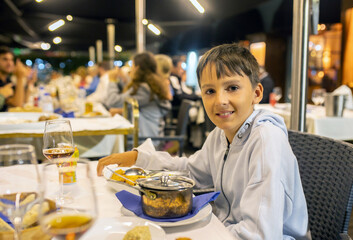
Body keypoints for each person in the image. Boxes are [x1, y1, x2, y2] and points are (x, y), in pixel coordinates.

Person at [97, 44, 310, 239]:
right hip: (223, 229)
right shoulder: (220, 134)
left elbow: (260, 234)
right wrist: (140, 158)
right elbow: (191, 172)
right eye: (210, 91)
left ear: (256, 93)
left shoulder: (265, 141)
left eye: (232, 88)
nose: (220, 101)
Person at [103, 52, 172, 139]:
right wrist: (124, 79)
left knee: (110, 139)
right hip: (149, 135)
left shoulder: (143, 89)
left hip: (147, 141)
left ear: (137, 68)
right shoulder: (150, 85)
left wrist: (112, 81)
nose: (130, 70)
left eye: (132, 66)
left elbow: (113, 102)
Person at [0, 46, 30, 111]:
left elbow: (24, 101)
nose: (9, 63)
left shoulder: (7, 80)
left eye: (11, 60)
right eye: (5, 59)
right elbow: (17, 104)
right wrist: (19, 77)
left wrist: (29, 83)